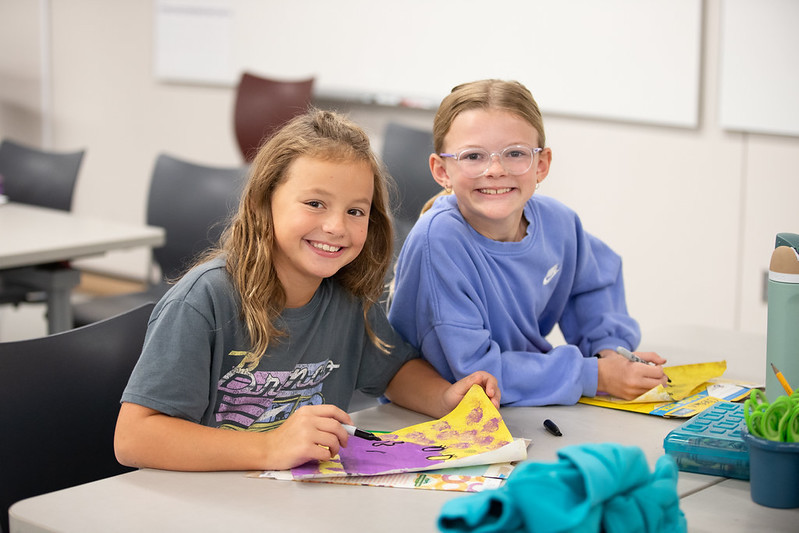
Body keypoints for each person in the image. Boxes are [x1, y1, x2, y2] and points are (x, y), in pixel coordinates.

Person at [114, 108, 499, 472]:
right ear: (264, 202)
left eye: (355, 211)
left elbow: (394, 371)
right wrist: (270, 447)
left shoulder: (347, 300)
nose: (335, 226)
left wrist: (446, 398)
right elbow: (134, 437)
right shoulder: (203, 300)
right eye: (315, 203)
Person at [387, 79, 668, 406]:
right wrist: (597, 376)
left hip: (521, 404)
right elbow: (471, 373)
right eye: (473, 156)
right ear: (441, 170)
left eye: (515, 153)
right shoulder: (438, 240)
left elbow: (593, 285)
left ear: (542, 164)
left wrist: (609, 351)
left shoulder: (559, 222)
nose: (494, 170)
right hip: (433, 419)